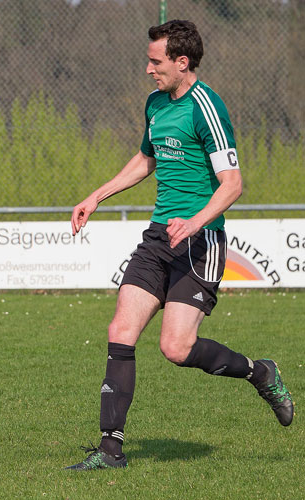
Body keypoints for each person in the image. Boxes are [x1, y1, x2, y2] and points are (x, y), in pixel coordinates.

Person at [66, 20, 294, 470]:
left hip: (200, 240)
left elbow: (232, 184)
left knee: (176, 348)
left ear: (181, 61)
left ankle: (260, 372)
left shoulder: (205, 106)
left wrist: (194, 221)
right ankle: (111, 450)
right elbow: (147, 158)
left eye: (156, 61)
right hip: (158, 237)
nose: (149, 69)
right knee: (120, 332)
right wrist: (96, 195)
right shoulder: (155, 103)